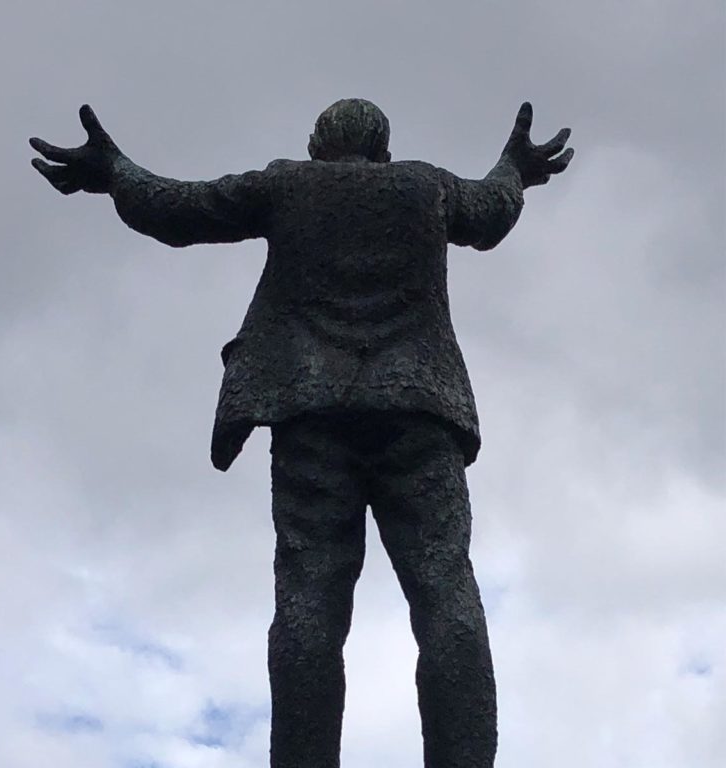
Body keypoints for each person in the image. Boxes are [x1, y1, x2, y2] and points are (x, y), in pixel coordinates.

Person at [31, 98, 573, 768]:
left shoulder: (285, 183)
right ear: (383, 149)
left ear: (318, 146)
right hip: (419, 411)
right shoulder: (426, 186)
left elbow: (178, 210)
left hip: (309, 411)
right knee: (445, 591)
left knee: (309, 601)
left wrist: (113, 170)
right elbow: (492, 211)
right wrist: (515, 168)